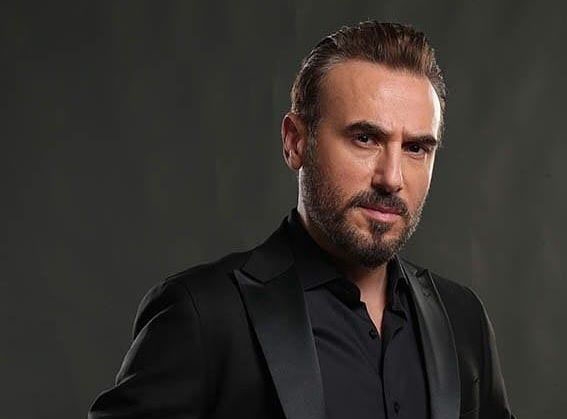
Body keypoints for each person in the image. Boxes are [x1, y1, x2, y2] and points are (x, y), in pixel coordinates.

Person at [88, 21, 515, 419]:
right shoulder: (203, 315)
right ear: (295, 142)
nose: (392, 178)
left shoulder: (463, 320)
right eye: (365, 138)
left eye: (416, 148)